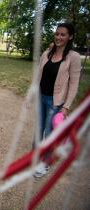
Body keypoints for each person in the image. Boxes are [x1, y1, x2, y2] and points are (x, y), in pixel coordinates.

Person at [33, 22, 81, 178]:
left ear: (70, 36)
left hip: (56, 102)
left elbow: (74, 84)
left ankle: (45, 164)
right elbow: (39, 75)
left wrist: (66, 106)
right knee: (38, 130)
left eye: (63, 34)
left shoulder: (73, 57)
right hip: (41, 97)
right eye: (57, 34)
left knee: (50, 133)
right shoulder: (47, 53)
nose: (59, 37)